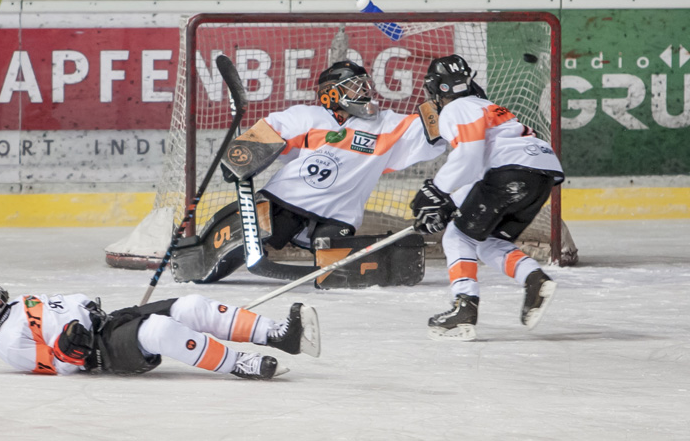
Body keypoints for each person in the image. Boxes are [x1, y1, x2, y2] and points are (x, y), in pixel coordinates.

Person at [174, 59, 447, 287]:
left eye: (365, 85)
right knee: (240, 241)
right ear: (331, 94)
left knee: (339, 268)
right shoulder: (307, 117)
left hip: (339, 214)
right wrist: (243, 154)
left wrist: (447, 104)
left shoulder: (386, 123)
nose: (364, 91)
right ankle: (201, 261)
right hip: (285, 200)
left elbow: (431, 132)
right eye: (354, 86)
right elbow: (272, 128)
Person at [409, 54, 564, 341]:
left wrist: (436, 190)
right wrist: (449, 205)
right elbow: (480, 170)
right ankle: (534, 278)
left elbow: (468, 156)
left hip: (511, 172)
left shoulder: (456, 108)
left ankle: (464, 306)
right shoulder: (483, 105)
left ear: (437, 88)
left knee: (457, 237)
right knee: (487, 240)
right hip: (540, 175)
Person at [0, 281, 321, 380]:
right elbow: (60, 365)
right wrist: (68, 347)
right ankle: (239, 363)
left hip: (109, 322)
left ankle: (278, 334)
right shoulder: (9, 344)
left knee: (191, 305)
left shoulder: (18, 303)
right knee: (160, 330)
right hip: (100, 352)